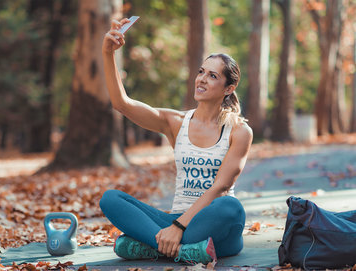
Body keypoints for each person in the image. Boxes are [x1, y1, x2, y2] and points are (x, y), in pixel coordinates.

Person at [99, 18, 253, 265]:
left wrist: (179, 227)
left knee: (230, 207)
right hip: (175, 219)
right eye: (201, 71)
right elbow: (122, 104)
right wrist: (108, 54)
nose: (201, 79)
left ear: (228, 88)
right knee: (110, 199)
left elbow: (220, 188)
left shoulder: (238, 131)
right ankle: (184, 251)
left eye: (212, 75)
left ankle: (155, 245)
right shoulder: (176, 122)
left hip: (215, 222)